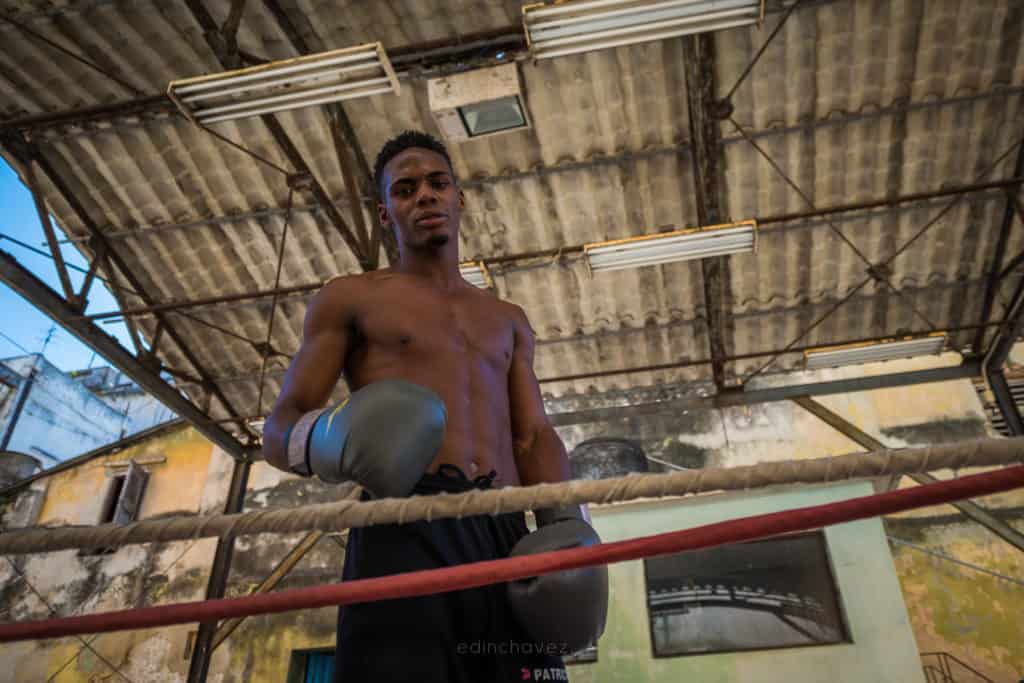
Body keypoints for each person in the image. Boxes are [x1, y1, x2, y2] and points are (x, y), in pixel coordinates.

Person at [262, 130, 607, 682]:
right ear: (384, 213)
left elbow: (533, 436)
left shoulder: (507, 318)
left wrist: (565, 528)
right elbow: (279, 427)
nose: (424, 195)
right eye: (405, 189)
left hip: (504, 532)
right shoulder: (351, 297)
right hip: (403, 525)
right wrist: (335, 439)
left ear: (458, 197)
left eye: (437, 183)